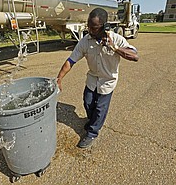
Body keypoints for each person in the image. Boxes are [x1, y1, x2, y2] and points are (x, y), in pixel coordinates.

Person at [57, 8, 139, 149]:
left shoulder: (117, 39)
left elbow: (134, 56)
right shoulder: (85, 41)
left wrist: (114, 48)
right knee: (88, 102)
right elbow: (71, 60)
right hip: (92, 79)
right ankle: (93, 120)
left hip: (107, 81)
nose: (90, 30)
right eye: (89, 26)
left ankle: (92, 133)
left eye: (94, 28)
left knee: (100, 108)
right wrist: (59, 78)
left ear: (105, 26)